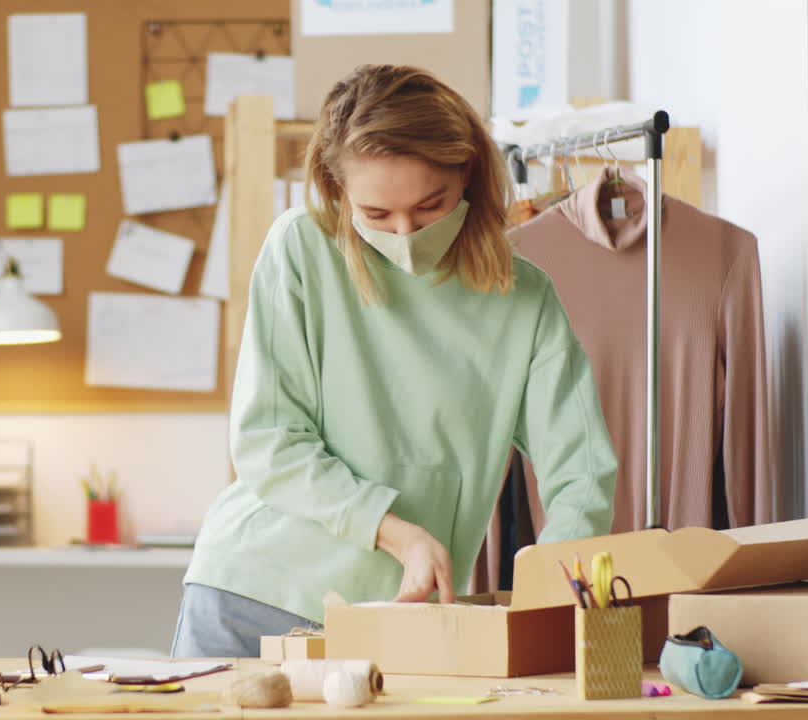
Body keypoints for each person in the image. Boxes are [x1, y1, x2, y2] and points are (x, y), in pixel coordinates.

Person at [172, 65, 617, 658]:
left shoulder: (524, 299)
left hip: (401, 619)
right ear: (337, 190)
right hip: (255, 591)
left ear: (469, 172)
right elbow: (269, 440)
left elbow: (582, 472)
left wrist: (554, 593)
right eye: (376, 216)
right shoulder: (302, 248)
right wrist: (396, 532)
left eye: (429, 205)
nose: (405, 234)